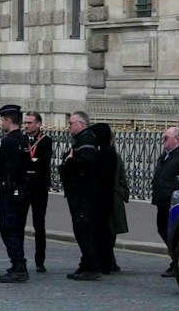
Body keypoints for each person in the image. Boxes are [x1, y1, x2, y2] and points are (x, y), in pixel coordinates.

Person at [0, 104, 31, 282]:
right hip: (21, 189)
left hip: (9, 190)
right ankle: (17, 264)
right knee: (17, 228)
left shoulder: (8, 140)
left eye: (3, 120)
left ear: (8, 120)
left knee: (8, 228)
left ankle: (19, 266)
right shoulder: (23, 140)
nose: (1, 123)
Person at [59, 111, 105, 280]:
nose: (69, 127)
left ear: (81, 124)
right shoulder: (82, 140)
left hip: (83, 193)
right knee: (81, 229)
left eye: (71, 123)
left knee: (84, 230)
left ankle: (91, 266)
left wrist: (69, 162)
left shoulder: (86, 140)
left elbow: (87, 164)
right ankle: (86, 263)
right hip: (78, 191)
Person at [151, 127, 179, 276]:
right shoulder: (166, 155)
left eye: (166, 138)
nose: (163, 141)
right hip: (162, 200)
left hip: (174, 201)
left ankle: (178, 262)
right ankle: (176, 259)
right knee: (163, 229)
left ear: (176, 139)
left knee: (173, 232)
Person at [21, 111, 54, 272]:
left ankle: (40, 260)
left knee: (39, 225)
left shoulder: (46, 141)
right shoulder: (21, 139)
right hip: (23, 186)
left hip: (39, 187)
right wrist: (31, 161)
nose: (26, 125)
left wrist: (29, 161)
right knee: (19, 223)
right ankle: (19, 259)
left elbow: (43, 162)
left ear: (39, 124)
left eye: (29, 123)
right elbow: (20, 161)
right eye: (25, 123)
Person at [95, 122, 129, 273]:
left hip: (112, 199)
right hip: (104, 199)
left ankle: (108, 260)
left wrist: (121, 193)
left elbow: (122, 179)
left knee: (110, 232)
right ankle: (108, 260)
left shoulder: (113, 156)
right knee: (104, 232)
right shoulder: (98, 154)